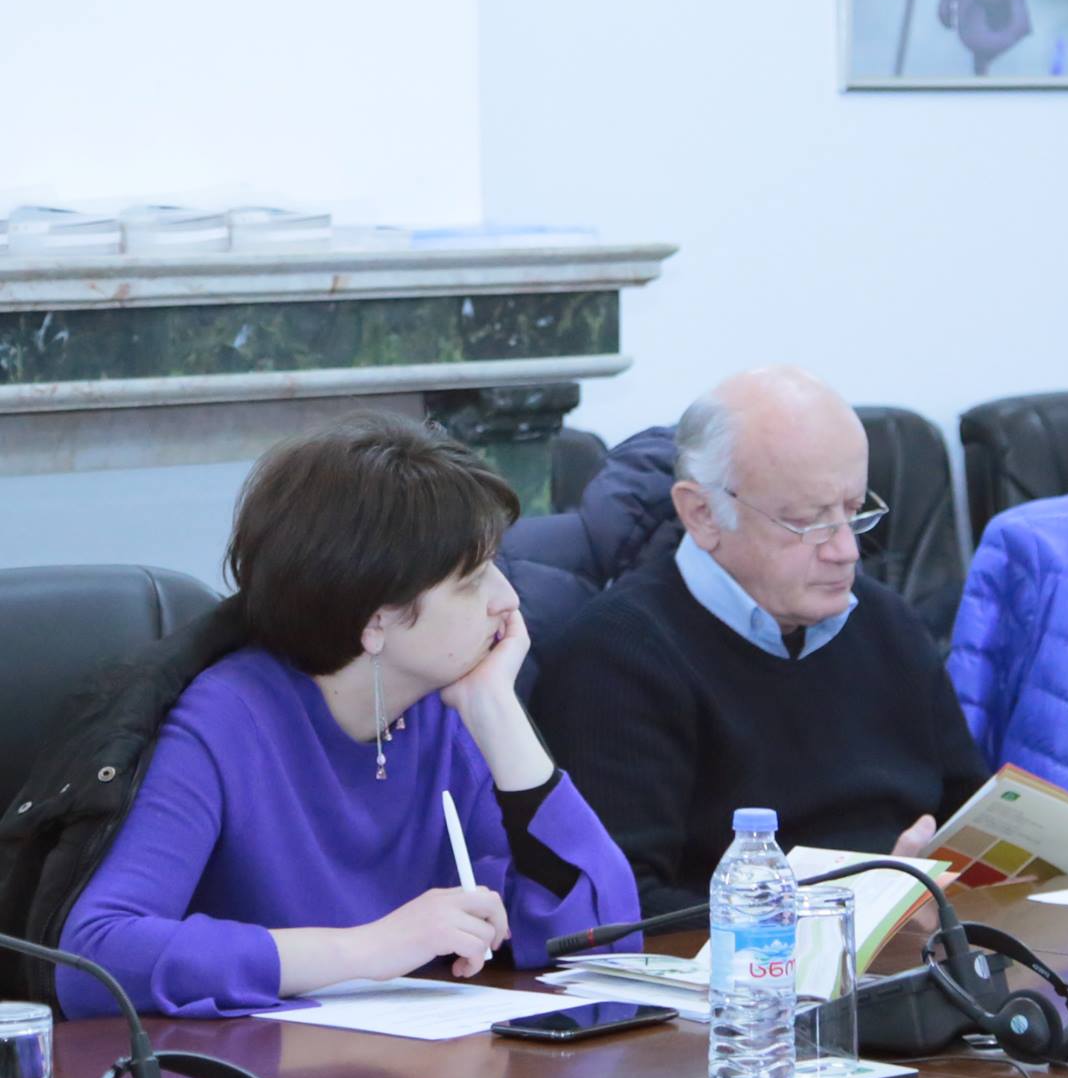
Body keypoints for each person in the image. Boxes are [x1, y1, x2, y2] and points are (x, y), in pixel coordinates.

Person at [57, 414, 641, 1018]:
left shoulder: (445, 709)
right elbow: (95, 959)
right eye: (472, 581)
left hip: (420, 1064)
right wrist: (368, 949)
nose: (508, 599)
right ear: (375, 619)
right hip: (263, 1070)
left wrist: (497, 711)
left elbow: (602, 943)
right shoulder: (227, 719)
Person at [530, 367, 987, 917]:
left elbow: (966, 817)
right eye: (808, 521)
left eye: (853, 511)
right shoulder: (616, 659)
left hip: (923, 947)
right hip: (747, 964)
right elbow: (622, 912)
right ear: (702, 514)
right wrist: (855, 916)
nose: (846, 550)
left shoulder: (886, 621)